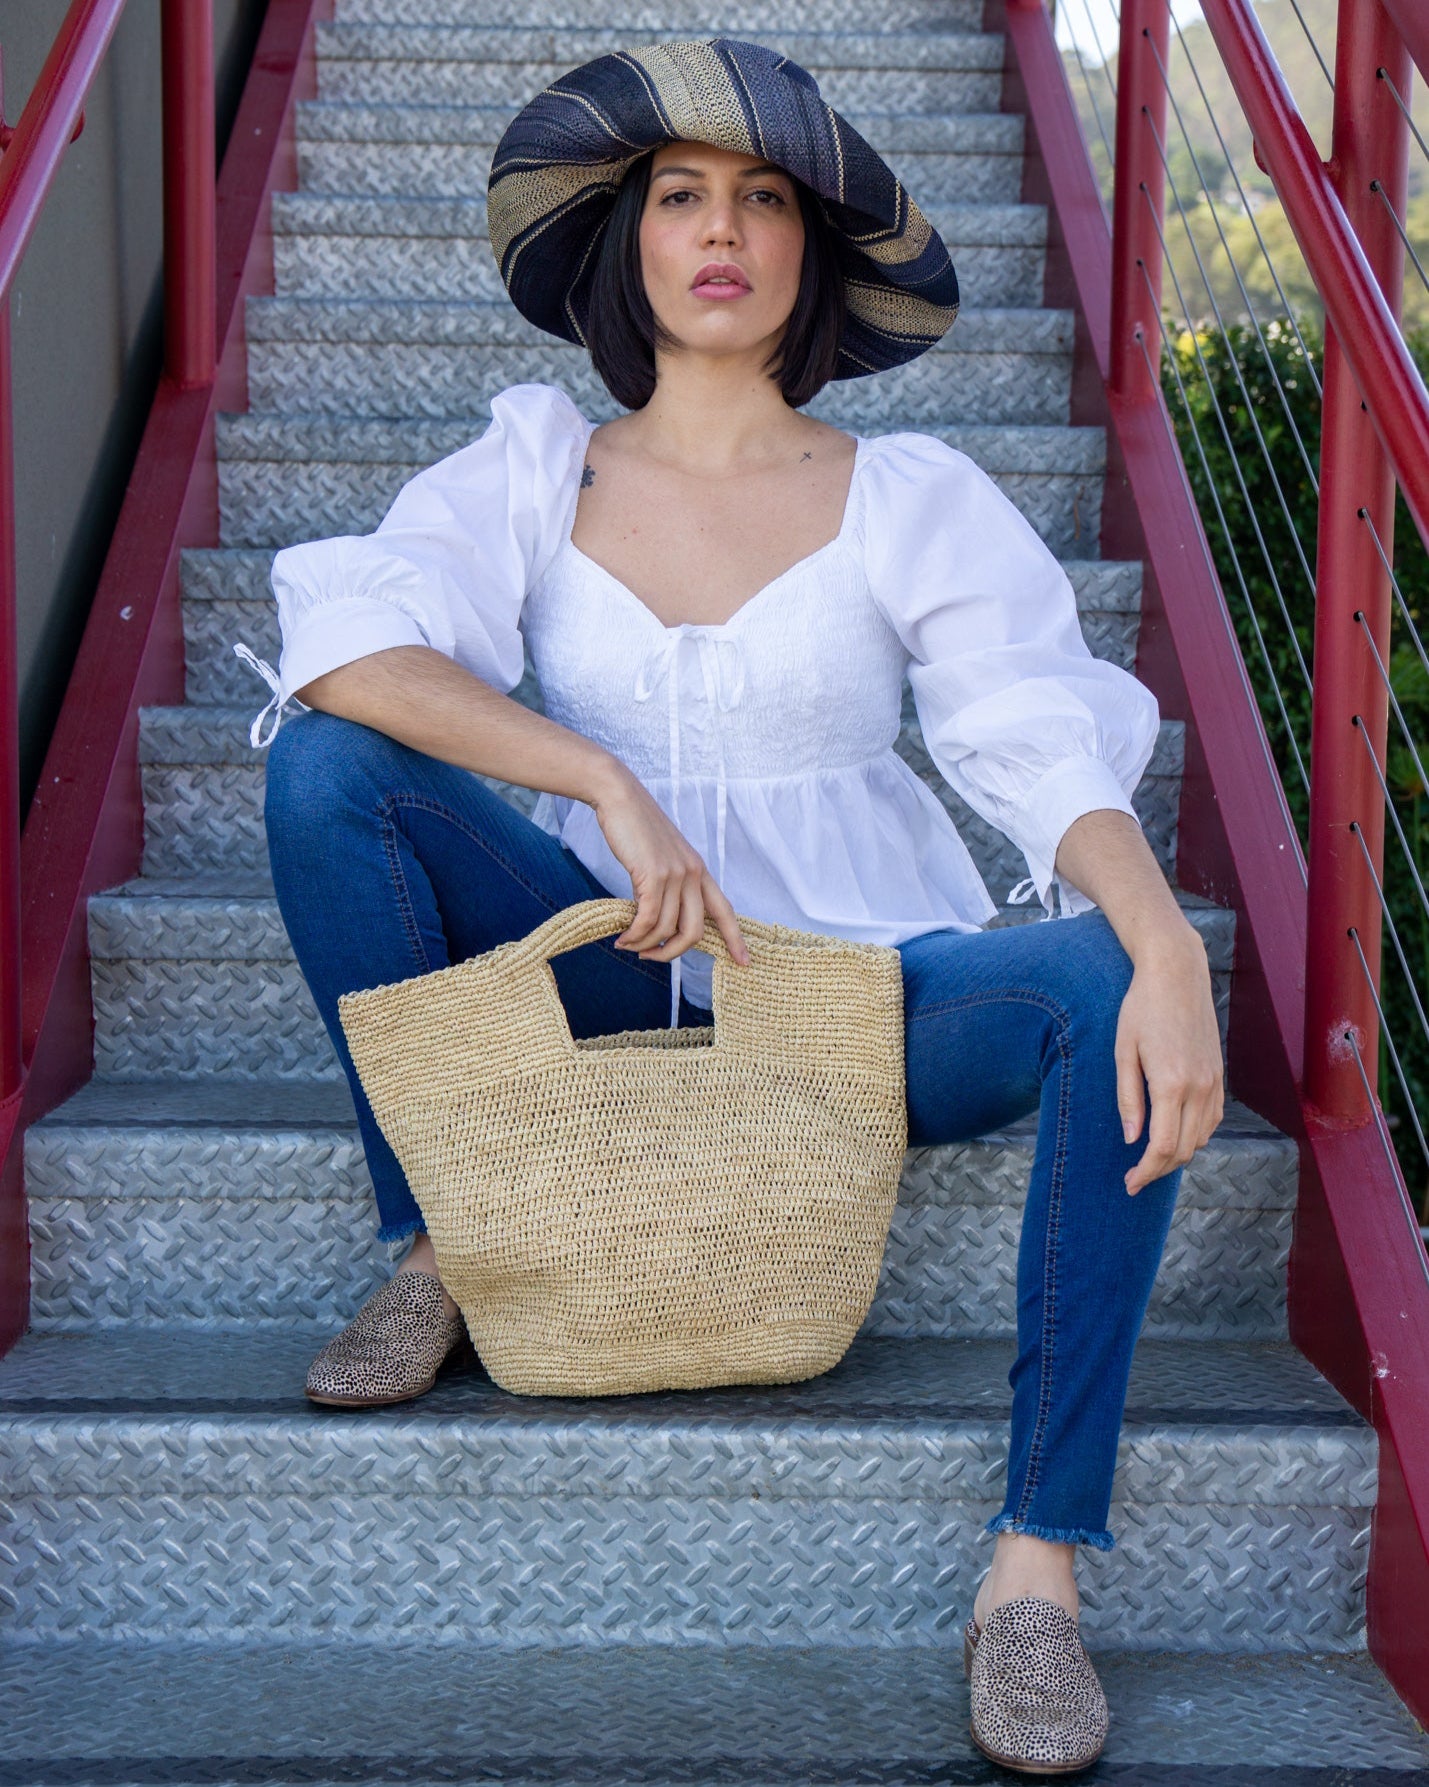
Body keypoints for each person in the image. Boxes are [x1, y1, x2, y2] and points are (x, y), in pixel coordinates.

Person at [243, 38, 1224, 1776]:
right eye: (682, 197)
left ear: (811, 256)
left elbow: (1025, 731)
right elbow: (350, 652)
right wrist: (601, 783)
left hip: (845, 1006)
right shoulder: (536, 466)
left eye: (764, 200)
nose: (722, 231)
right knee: (327, 769)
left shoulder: (903, 495)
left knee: (1089, 985)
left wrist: (1158, 941)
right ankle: (441, 1238)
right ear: (626, 245)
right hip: (603, 974)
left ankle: (1035, 1567)